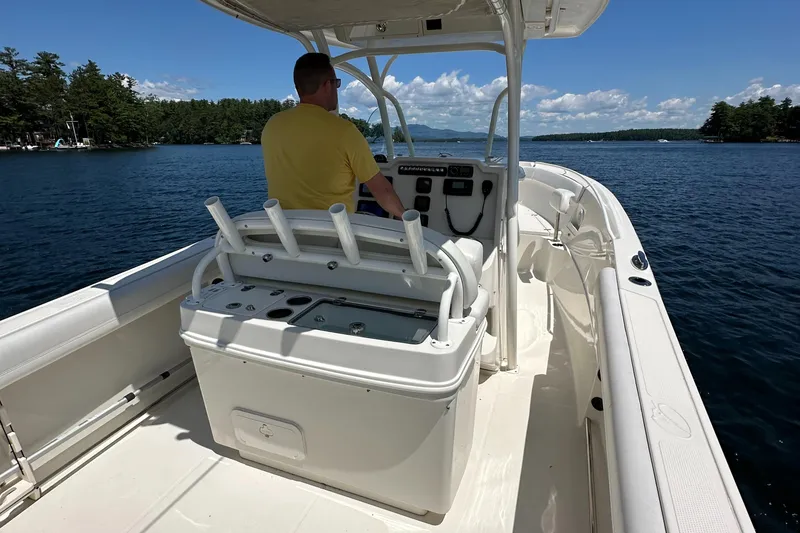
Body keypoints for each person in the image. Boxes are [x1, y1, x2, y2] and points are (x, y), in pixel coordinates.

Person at [261, 53, 405, 218]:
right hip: (332, 238)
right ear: (327, 85)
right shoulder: (345, 131)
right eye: (336, 83)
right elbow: (383, 191)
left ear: (298, 88)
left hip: (284, 235)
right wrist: (408, 220)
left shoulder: (272, 126)